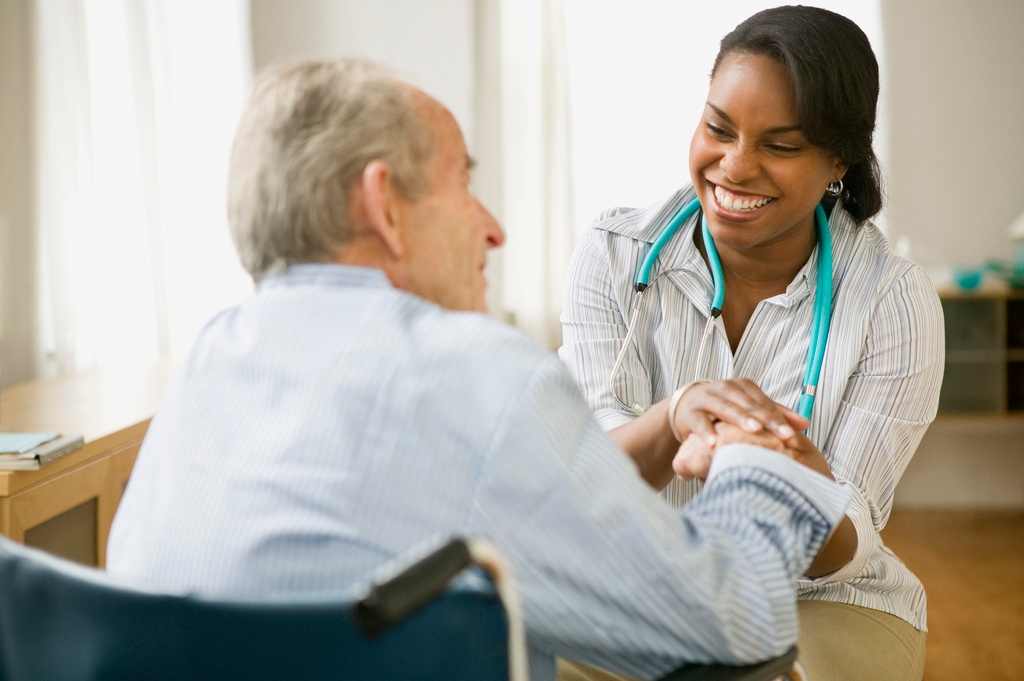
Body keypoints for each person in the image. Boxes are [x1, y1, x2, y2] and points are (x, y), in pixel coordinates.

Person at [106, 58, 851, 681]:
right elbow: (733, 626)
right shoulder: (475, 373)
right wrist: (758, 460)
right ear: (383, 207)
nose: (492, 227)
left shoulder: (210, 358)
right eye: (462, 182)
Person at [559, 6, 944, 681]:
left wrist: (777, 473)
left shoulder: (892, 297)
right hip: (637, 583)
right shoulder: (614, 255)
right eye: (718, 128)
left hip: (823, 600)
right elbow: (586, 486)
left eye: (781, 145)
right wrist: (676, 414)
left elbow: (848, 541)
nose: (735, 166)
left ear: (838, 161)